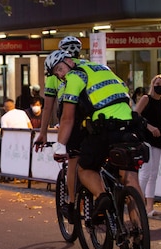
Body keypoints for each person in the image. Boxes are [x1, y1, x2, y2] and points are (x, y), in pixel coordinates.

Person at [42, 49, 143, 221]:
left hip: (106, 128)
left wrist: (60, 147)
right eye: (56, 73)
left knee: (85, 168)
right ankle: (139, 231)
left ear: (69, 60)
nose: (59, 75)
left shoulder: (75, 77)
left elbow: (67, 118)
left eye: (59, 69)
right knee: (130, 179)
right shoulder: (103, 68)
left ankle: (102, 196)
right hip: (130, 125)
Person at [35, 36, 88, 222]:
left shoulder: (54, 73)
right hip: (94, 119)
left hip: (71, 119)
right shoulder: (85, 65)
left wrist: (42, 133)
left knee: (72, 160)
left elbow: (48, 107)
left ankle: (72, 203)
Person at [135, 74, 161, 217]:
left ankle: (150, 207)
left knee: (153, 174)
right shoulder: (146, 99)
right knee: (145, 172)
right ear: (152, 84)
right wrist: (148, 126)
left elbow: (160, 122)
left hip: (158, 139)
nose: (159, 85)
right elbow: (135, 115)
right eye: (157, 83)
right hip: (146, 138)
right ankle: (138, 206)